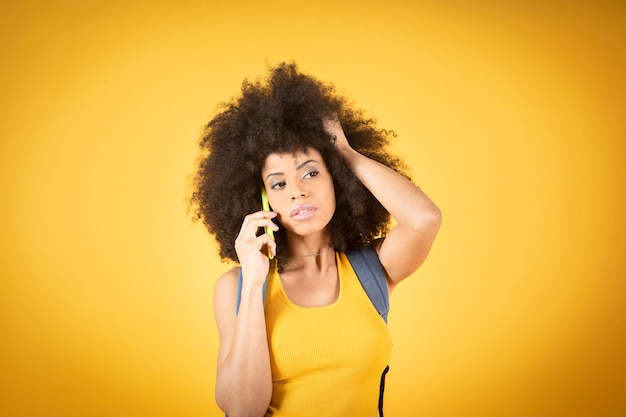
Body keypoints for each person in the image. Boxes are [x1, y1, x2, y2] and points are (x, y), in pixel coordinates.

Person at [190, 62, 442, 417]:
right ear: (261, 200)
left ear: (337, 179)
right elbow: (242, 410)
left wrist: (345, 151)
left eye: (311, 172)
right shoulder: (238, 286)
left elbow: (425, 219)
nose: (297, 191)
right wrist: (253, 283)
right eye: (278, 183)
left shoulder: (371, 270)